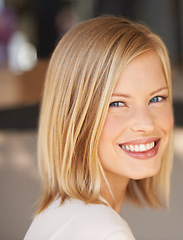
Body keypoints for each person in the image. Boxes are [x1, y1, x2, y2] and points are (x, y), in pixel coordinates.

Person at [24, 16, 174, 240]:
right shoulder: (105, 232)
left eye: (157, 98)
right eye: (117, 103)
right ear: (73, 118)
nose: (146, 123)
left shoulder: (60, 214)